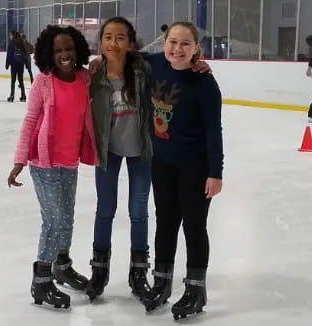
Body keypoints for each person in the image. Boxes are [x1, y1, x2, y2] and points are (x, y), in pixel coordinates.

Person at [7, 25, 95, 309]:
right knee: (54, 221)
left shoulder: (85, 78)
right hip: (43, 163)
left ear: (78, 49)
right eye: (58, 50)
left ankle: (62, 265)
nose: (64, 54)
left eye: (69, 48)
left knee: (67, 218)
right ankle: (42, 280)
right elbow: (30, 120)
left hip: (69, 161)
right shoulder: (44, 82)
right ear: (48, 53)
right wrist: (19, 160)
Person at [139, 22, 223, 321]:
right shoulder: (154, 63)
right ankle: (161, 281)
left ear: (196, 48)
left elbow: (214, 131)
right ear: (164, 41)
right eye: (172, 42)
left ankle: (195, 290)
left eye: (185, 44)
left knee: (194, 226)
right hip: (162, 163)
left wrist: (216, 172)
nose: (177, 49)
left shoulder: (205, 84)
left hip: (196, 167)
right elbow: (122, 56)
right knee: (165, 222)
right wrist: (99, 59)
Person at [85, 17, 154, 303]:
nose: (114, 43)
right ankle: (99, 269)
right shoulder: (94, 75)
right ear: (100, 42)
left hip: (141, 150)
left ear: (131, 43)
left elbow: (177, 61)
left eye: (120, 37)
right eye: (108, 37)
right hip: (108, 150)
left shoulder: (144, 69)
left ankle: (138, 271)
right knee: (105, 209)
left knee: (138, 210)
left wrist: (199, 59)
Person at [5, 31, 27, 102]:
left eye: (10, 35)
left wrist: (7, 64)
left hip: (14, 64)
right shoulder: (21, 42)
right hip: (21, 64)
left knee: (13, 80)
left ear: (13, 35)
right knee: (21, 80)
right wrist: (25, 63)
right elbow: (25, 53)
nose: (9, 36)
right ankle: (23, 96)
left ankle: (12, 96)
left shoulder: (11, 43)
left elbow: (9, 54)